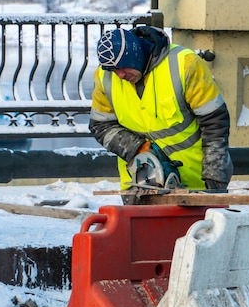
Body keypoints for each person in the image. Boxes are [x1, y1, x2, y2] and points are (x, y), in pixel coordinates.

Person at [89, 26, 233, 203]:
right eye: (113, 70)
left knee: (198, 231)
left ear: (136, 55)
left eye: (122, 67)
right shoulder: (105, 77)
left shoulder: (185, 64)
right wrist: (138, 148)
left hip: (197, 184)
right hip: (139, 185)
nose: (120, 75)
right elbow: (100, 125)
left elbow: (215, 122)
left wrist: (214, 174)